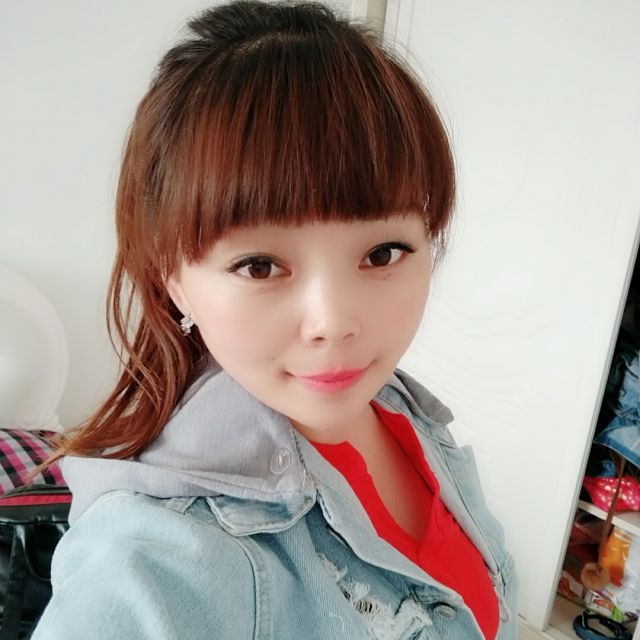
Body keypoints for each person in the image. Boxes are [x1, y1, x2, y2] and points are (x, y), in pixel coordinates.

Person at [33, 2, 517, 638]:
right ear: (173, 277)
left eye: (382, 253)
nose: (334, 324)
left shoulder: (403, 411)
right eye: (259, 266)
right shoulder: (155, 557)